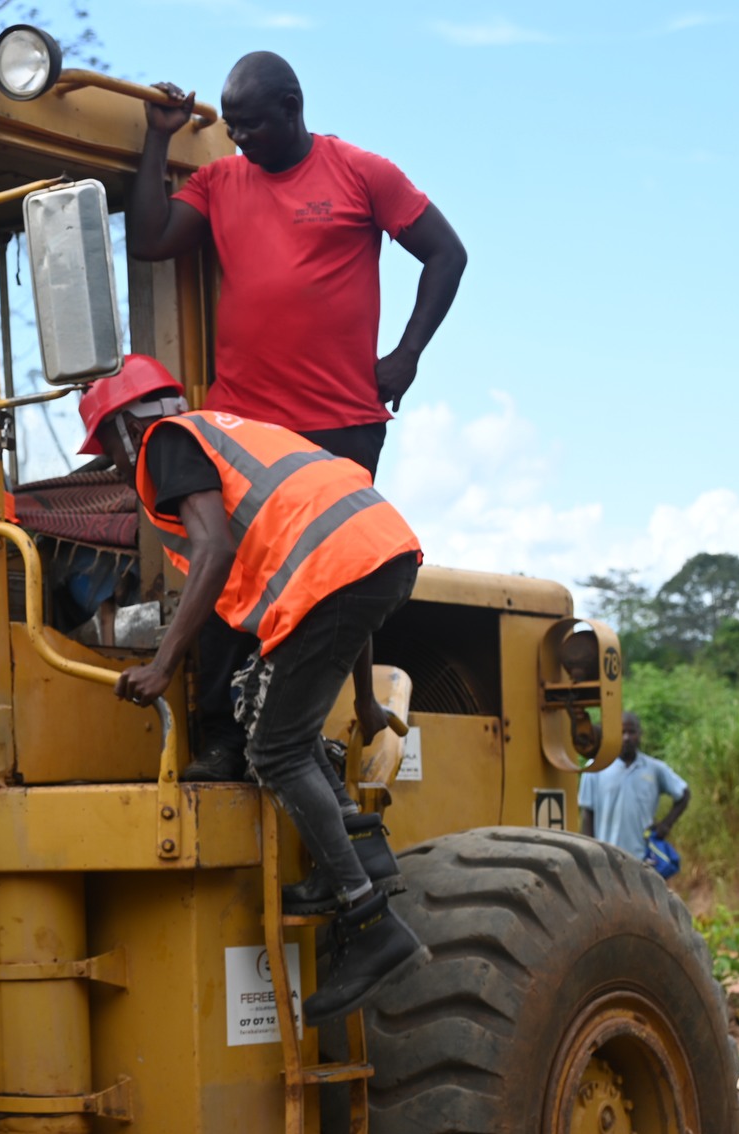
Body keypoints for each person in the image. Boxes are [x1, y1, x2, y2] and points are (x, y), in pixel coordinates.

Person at [125, 50, 467, 780]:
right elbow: (150, 239)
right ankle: (224, 742)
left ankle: (296, 742)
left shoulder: (361, 173)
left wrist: (406, 354)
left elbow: (447, 253)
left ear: (292, 107)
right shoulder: (220, 182)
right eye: (231, 123)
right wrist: (158, 137)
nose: (238, 136)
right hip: (246, 429)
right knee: (229, 578)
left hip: (339, 422)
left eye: (250, 123)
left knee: (327, 584)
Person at [90, 363, 426, 1022]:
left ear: (128, 427)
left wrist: (162, 665)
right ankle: (362, 851)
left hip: (341, 572)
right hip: (381, 555)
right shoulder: (237, 437)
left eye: (108, 447)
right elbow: (341, 568)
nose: (116, 467)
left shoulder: (167, 440)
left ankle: (368, 920)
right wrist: (362, 699)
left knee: (273, 749)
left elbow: (213, 551)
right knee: (285, 725)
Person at [579, 712, 691, 860]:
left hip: (642, 859)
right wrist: (590, 854)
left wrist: (666, 825)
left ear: (640, 734)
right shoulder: (595, 767)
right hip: (607, 859)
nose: (627, 737)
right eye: (622, 732)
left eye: (631, 732)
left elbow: (684, 794)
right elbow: (587, 814)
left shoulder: (654, 768)